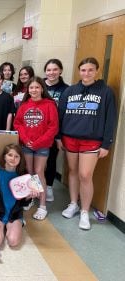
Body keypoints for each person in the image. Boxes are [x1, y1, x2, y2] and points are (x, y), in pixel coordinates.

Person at [57, 57, 117, 230]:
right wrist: (59, 137)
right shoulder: (70, 91)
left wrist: (106, 144)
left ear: (96, 71)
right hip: (70, 137)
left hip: (92, 140)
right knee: (73, 172)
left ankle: (84, 211)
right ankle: (73, 203)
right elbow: (61, 115)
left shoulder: (105, 92)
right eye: (83, 70)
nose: (86, 73)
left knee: (85, 175)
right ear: (79, 71)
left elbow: (110, 119)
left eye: (90, 70)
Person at [13, 77, 59, 221]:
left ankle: (43, 206)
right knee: (30, 172)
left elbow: (53, 127)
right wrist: (26, 140)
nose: (34, 90)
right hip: (27, 144)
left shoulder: (49, 105)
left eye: (37, 87)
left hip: (42, 145)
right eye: (31, 88)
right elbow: (18, 123)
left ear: (42, 89)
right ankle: (32, 197)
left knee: (39, 173)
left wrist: (39, 142)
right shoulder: (24, 104)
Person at [0, 144, 38, 248]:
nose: (13, 158)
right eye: (10, 155)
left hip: (14, 214)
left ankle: (15, 225)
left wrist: (30, 197)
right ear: (4, 156)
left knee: (13, 242)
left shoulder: (24, 175)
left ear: (20, 159)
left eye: (17, 156)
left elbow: (23, 203)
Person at [43, 59, 69, 202]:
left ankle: (48, 187)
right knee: (34, 161)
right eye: (49, 70)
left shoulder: (66, 89)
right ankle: (34, 189)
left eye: (55, 69)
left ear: (60, 71)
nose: (51, 72)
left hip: (55, 132)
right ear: (45, 71)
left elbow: (65, 113)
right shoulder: (39, 85)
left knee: (51, 159)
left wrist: (59, 136)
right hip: (37, 129)